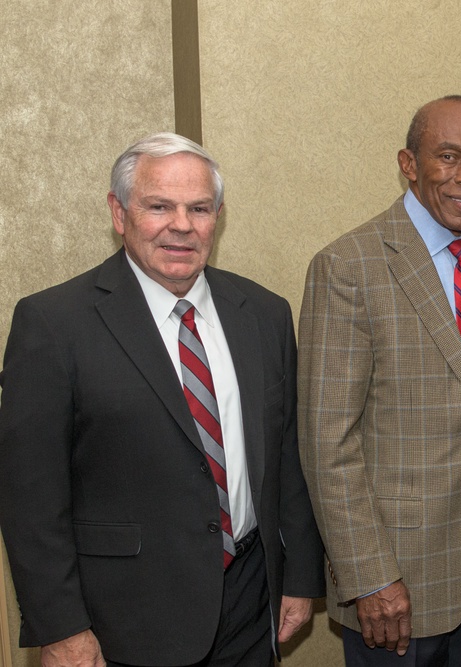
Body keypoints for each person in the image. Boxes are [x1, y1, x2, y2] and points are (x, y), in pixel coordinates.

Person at [0, 132, 326, 666]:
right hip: (123, 621)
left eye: (199, 208)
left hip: (249, 602)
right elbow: (30, 500)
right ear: (118, 212)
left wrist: (301, 576)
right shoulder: (54, 324)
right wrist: (61, 629)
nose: (182, 225)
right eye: (159, 206)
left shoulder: (264, 313)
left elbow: (289, 454)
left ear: (218, 215)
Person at [298, 95, 461, 666]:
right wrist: (369, 576)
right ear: (409, 163)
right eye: (449, 156)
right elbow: (327, 443)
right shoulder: (349, 266)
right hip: (394, 582)